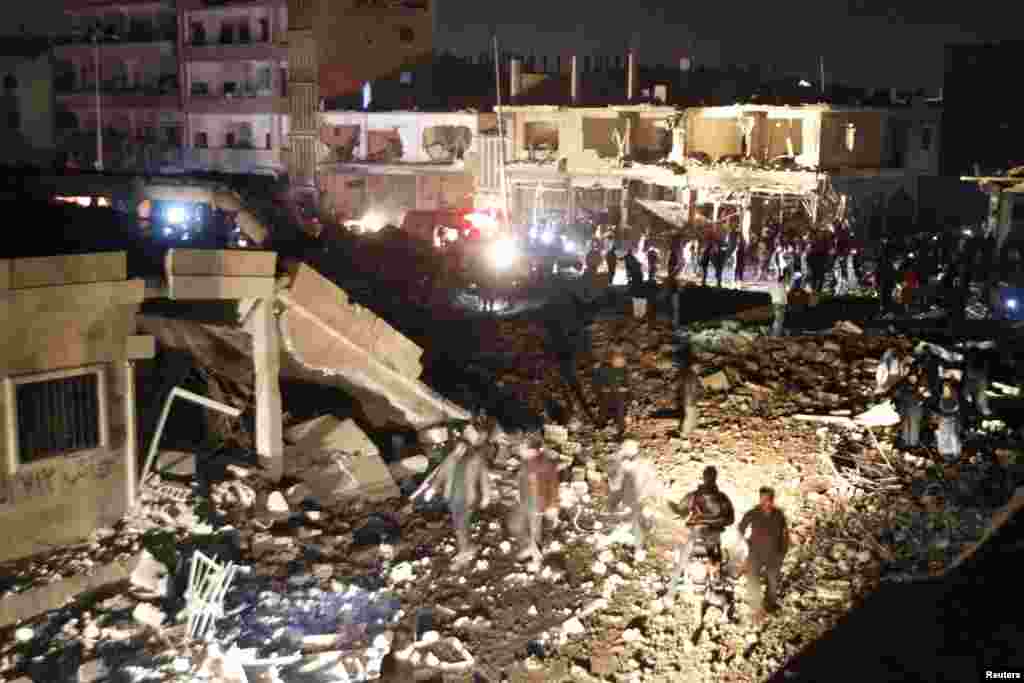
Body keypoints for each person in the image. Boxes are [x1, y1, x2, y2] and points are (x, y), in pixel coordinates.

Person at [666, 466, 735, 597]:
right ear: (715, 478)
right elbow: (731, 519)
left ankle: (674, 583)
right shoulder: (722, 498)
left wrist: (668, 502)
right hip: (713, 537)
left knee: (681, 556)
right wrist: (717, 521)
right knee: (717, 560)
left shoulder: (693, 496)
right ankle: (717, 578)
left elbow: (680, 511)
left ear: (703, 478)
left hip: (695, 534)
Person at [738, 486, 789, 625]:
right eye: (763, 499)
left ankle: (769, 606)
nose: (766, 502)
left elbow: (785, 535)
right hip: (755, 553)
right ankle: (756, 609)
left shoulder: (779, 515)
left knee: (773, 581)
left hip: (774, 555)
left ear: (772, 500)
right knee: (753, 580)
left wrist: (782, 552)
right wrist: (745, 547)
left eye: (768, 499)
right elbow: (740, 531)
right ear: (760, 499)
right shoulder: (752, 514)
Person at [593, 349, 630, 436]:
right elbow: (598, 380)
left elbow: (626, 382)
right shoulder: (604, 369)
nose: (620, 363)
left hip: (619, 394)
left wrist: (625, 388)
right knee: (604, 409)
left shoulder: (623, 370)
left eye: (621, 362)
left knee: (620, 411)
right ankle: (600, 425)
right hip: (607, 394)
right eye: (618, 361)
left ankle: (621, 428)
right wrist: (602, 388)